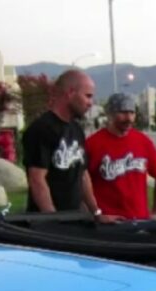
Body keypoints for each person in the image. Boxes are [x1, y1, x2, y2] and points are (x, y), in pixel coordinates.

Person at [22, 69, 117, 222]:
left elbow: (83, 175)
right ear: (70, 93)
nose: (90, 103)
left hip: (75, 219)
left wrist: (97, 213)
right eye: (88, 96)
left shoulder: (76, 129)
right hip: (47, 224)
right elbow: (37, 180)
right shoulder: (41, 129)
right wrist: (53, 220)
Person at [86, 93, 156, 219]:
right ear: (110, 114)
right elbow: (81, 185)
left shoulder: (143, 141)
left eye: (132, 113)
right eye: (123, 112)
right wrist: (95, 214)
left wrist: (155, 212)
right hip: (108, 224)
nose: (129, 118)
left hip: (140, 222)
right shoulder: (92, 144)